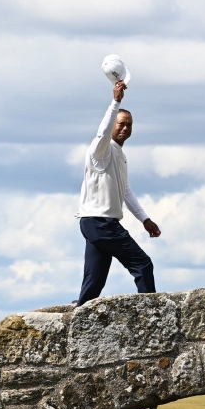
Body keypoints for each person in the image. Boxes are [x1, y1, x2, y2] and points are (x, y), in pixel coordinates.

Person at [76, 66, 162, 307]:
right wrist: (115, 103)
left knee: (94, 281)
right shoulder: (100, 151)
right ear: (113, 124)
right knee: (142, 264)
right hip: (101, 223)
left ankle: (78, 316)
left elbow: (125, 190)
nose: (125, 128)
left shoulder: (120, 155)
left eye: (129, 125)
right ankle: (151, 315)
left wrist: (145, 219)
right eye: (121, 123)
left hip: (94, 224)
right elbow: (102, 134)